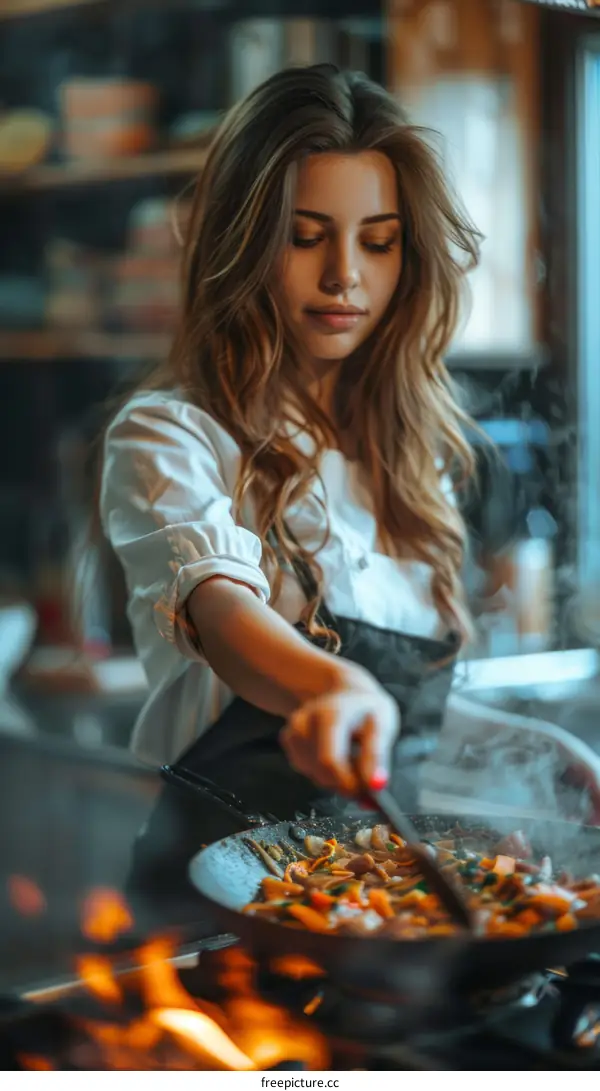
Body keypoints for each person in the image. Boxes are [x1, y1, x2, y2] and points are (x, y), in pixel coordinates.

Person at [100, 65, 600, 935]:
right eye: (305, 237)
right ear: (244, 244)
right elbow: (226, 618)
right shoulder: (172, 437)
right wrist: (335, 685)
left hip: (364, 910)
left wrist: (532, 743)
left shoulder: (407, 461)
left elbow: (398, 710)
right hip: (214, 917)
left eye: (378, 240)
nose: (344, 276)